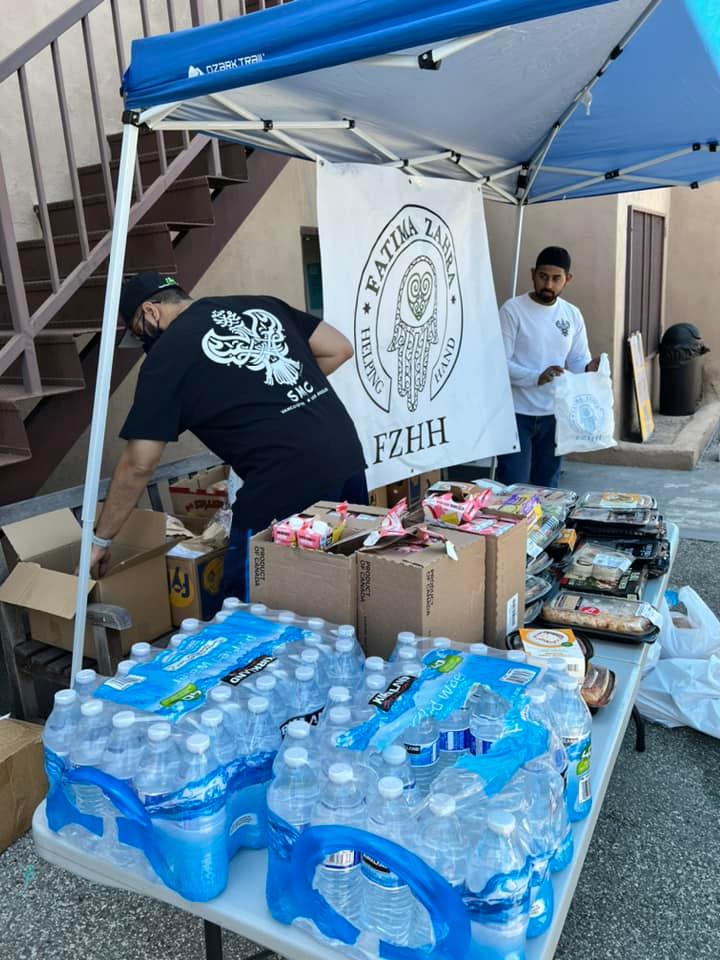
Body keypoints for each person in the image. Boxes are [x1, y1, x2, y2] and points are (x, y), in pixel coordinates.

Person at [88, 273, 367, 601]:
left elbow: (138, 464)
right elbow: (338, 349)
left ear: (150, 311)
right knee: (351, 583)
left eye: (139, 334)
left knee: (246, 601)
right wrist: (277, 394)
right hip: (346, 458)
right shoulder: (261, 305)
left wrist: (100, 542)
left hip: (283, 477)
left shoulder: (166, 356)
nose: (143, 345)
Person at [496, 246, 599, 488]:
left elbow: (577, 360)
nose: (548, 284)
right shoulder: (512, 310)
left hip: (554, 413)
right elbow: (499, 363)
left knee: (548, 489)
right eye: (543, 276)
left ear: (567, 279)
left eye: (556, 278)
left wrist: (589, 368)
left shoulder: (572, 314)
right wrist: (536, 377)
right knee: (513, 487)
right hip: (516, 414)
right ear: (533, 273)